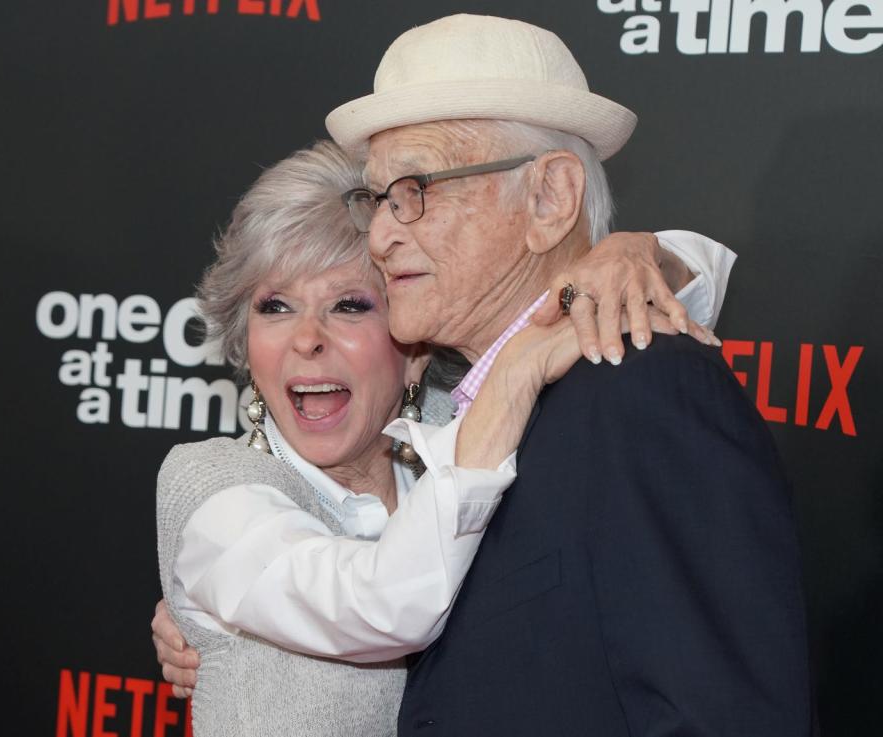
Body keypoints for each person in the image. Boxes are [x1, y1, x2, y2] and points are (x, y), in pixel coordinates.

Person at [320, 14, 810, 736]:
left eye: (416, 188)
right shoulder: (442, 399)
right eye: (377, 197)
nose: (382, 233)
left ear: (550, 199)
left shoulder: (645, 394)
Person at [154, 137, 734, 735]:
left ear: (415, 349)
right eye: (275, 307)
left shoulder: (456, 429)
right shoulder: (210, 488)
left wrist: (638, 254)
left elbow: (676, 299)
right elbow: (383, 603)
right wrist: (515, 371)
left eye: (350, 305)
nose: (307, 340)